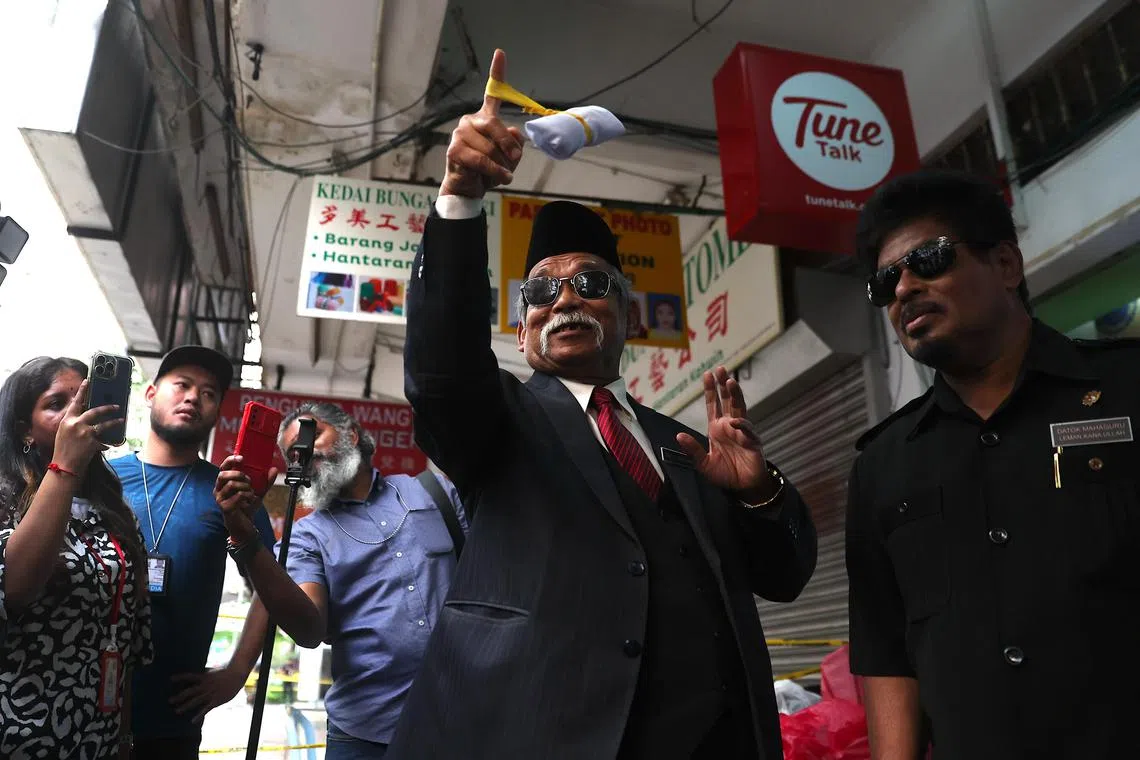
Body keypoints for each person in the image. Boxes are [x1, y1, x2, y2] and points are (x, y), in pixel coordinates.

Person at [392, 49, 817, 759]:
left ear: (629, 316)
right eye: (540, 292)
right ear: (521, 329)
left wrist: (760, 494)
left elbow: (786, 577)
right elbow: (441, 376)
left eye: (591, 284)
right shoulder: (497, 422)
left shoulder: (690, 449)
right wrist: (460, 199)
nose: (563, 299)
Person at [846, 168, 1140, 759]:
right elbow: (887, 656)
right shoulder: (883, 465)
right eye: (885, 282)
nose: (903, 289)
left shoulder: (1127, 389)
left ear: (1006, 265)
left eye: (928, 260)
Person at [213, 402, 468, 759]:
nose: (303, 452)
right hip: (366, 733)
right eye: (292, 453)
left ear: (351, 434)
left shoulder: (433, 492)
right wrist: (246, 539)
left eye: (312, 434)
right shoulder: (305, 537)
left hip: (463, 718)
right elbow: (309, 630)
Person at [108, 345, 274, 759]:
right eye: (181, 385)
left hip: (173, 720)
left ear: (218, 411)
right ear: (150, 394)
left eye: (209, 393)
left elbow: (271, 589)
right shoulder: (103, 478)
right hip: (85, 706)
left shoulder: (230, 492)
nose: (193, 398)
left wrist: (238, 671)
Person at [0, 357, 151, 759]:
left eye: (84, 398)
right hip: (20, 734)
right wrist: (64, 464)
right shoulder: (5, 503)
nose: (75, 413)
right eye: (56, 403)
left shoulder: (117, 514)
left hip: (95, 737)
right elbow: (13, 591)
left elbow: (126, 638)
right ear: (24, 430)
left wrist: (122, 737)